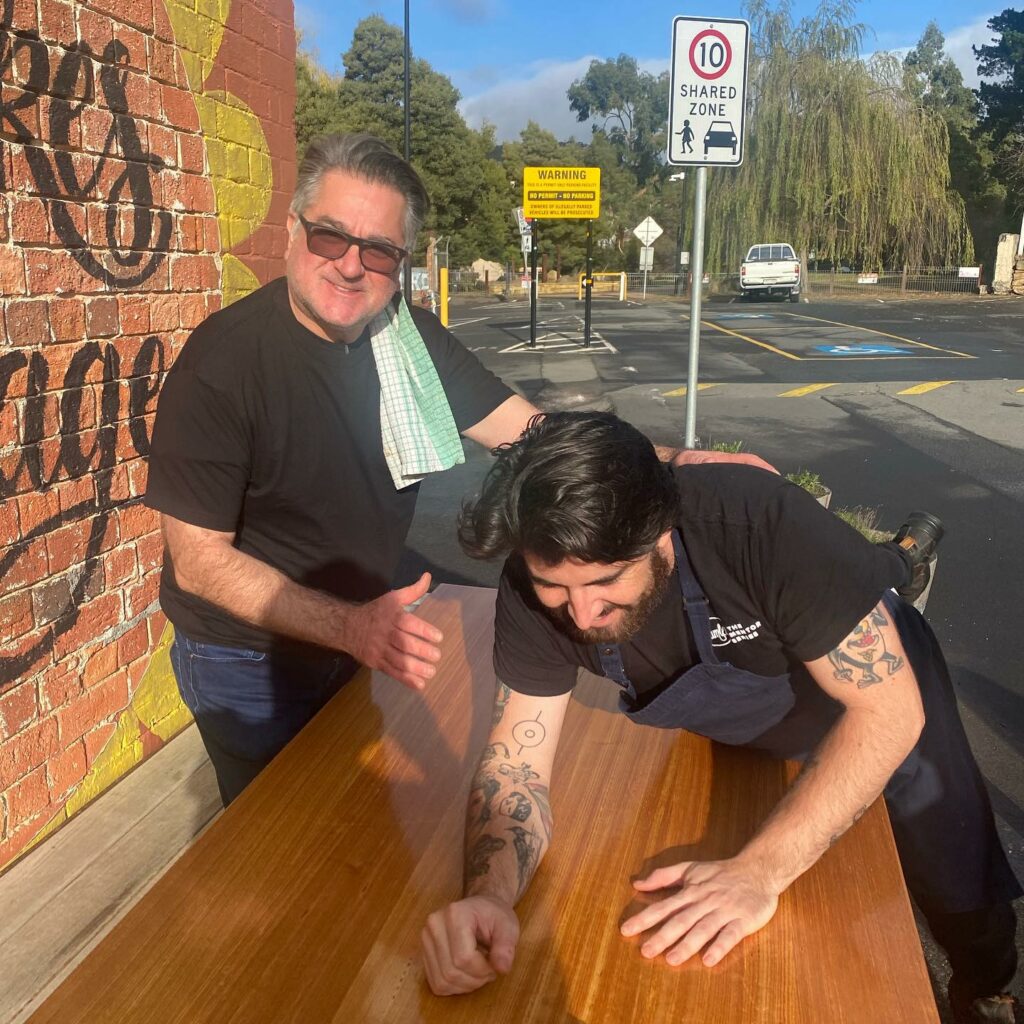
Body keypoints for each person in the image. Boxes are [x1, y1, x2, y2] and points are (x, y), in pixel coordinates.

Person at [145, 133, 771, 807]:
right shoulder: (224, 365)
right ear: (295, 232)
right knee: (273, 838)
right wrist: (349, 627)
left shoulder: (406, 340)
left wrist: (679, 460)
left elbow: (532, 433)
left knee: (356, 819)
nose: (352, 266)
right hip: (248, 658)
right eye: (331, 237)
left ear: (400, 262)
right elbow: (199, 562)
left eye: (379, 250)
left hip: (362, 633)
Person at [421, 412, 1021, 1024]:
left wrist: (760, 872)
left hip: (868, 690)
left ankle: (986, 984)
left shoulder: (761, 523)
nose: (581, 614)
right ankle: (898, 557)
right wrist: (490, 896)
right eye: (556, 587)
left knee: (954, 871)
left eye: (606, 581)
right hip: (756, 705)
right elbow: (517, 760)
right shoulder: (533, 581)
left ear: (661, 534)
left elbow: (887, 714)